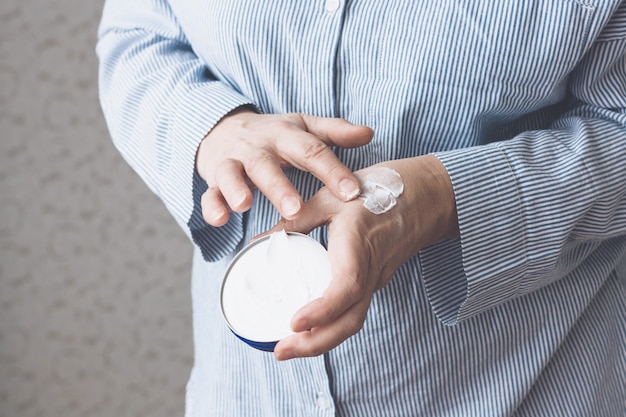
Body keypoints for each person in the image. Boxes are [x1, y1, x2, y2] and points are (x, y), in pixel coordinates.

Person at [96, 0, 626, 415]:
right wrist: (214, 127)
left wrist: (441, 196)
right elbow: (137, 33)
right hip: (243, 393)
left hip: (516, 386)